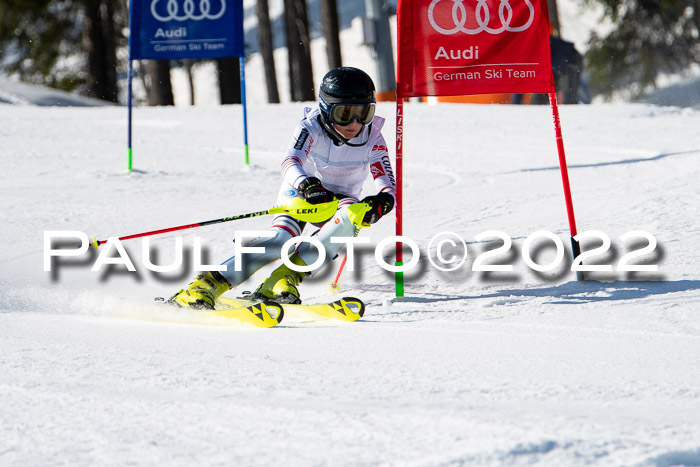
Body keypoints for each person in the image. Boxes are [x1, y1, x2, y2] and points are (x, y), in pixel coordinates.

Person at [169, 67, 397, 309]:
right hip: (302, 192)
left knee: (352, 215)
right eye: (345, 114)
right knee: (280, 240)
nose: (355, 123)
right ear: (326, 109)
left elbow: (387, 185)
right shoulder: (311, 127)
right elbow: (291, 161)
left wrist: (381, 203)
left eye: (364, 113)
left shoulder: (372, 137)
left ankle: (282, 280)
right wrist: (306, 184)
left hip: (341, 199)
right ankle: (206, 284)